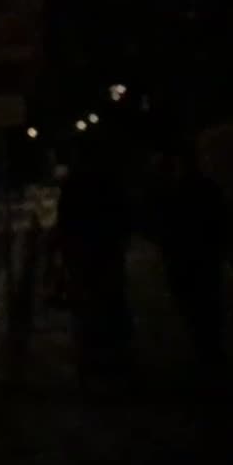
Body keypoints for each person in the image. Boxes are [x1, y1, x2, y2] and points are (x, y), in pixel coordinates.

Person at [57, 137, 134, 383]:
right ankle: (115, 362)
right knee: (110, 306)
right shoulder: (110, 183)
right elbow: (124, 216)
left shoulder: (75, 185)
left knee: (88, 309)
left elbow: (65, 222)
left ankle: (93, 364)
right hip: (105, 252)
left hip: (85, 254)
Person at [158, 141, 226, 376]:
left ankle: (205, 357)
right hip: (204, 259)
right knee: (207, 309)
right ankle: (211, 357)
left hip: (187, 259)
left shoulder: (177, 192)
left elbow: (168, 227)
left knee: (194, 310)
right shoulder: (207, 189)